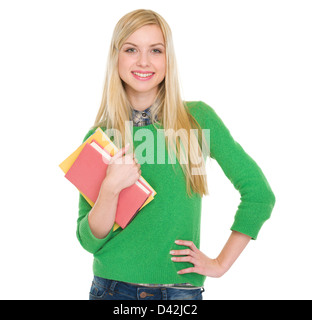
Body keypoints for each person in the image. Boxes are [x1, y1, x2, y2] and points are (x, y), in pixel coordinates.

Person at [76, 9, 276, 300]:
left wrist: (220, 264)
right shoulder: (101, 138)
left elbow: (259, 194)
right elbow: (89, 241)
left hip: (181, 293)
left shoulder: (198, 120)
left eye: (155, 50)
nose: (143, 61)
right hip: (113, 290)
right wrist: (109, 188)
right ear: (116, 56)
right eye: (131, 49)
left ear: (168, 58)